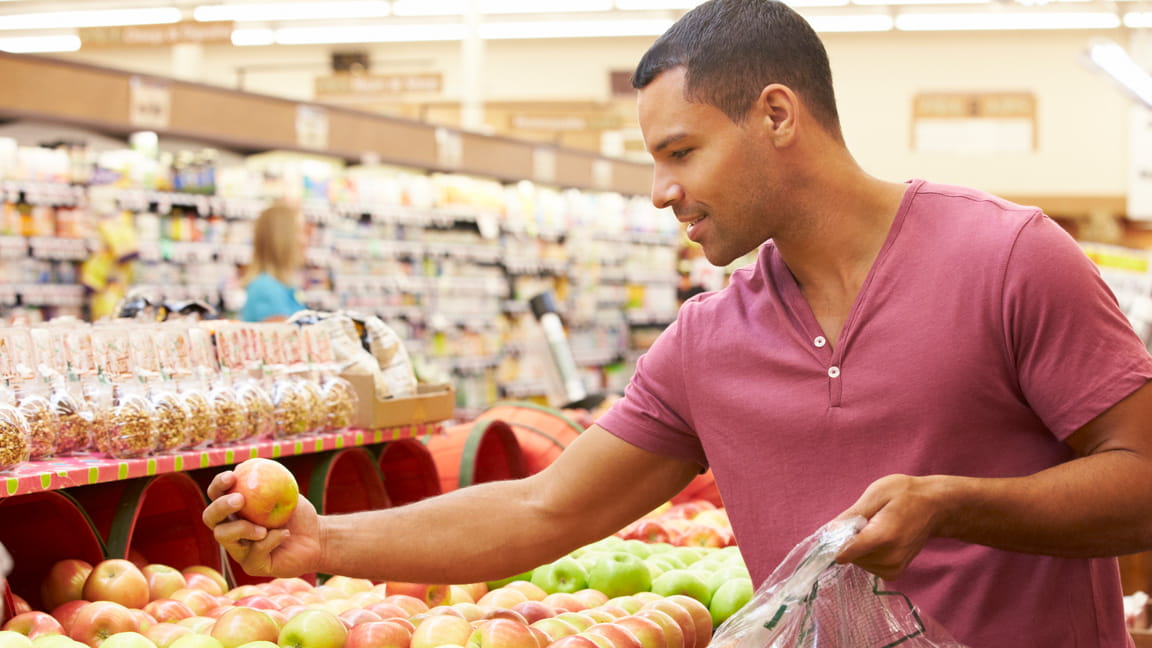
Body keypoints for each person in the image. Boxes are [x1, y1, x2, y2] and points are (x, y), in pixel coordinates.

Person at [203, 1, 1152, 644]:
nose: (661, 192)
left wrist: (956, 502)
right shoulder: (708, 344)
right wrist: (324, 546)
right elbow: (544, 509)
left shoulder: (1008, 259)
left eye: (681, 152)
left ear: (776, 114)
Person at [240, 202, 309, 322]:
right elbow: (283, 338)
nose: (305, 240)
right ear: (283, 238)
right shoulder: (266, 289)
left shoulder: (279, 286)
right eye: (300, 231)